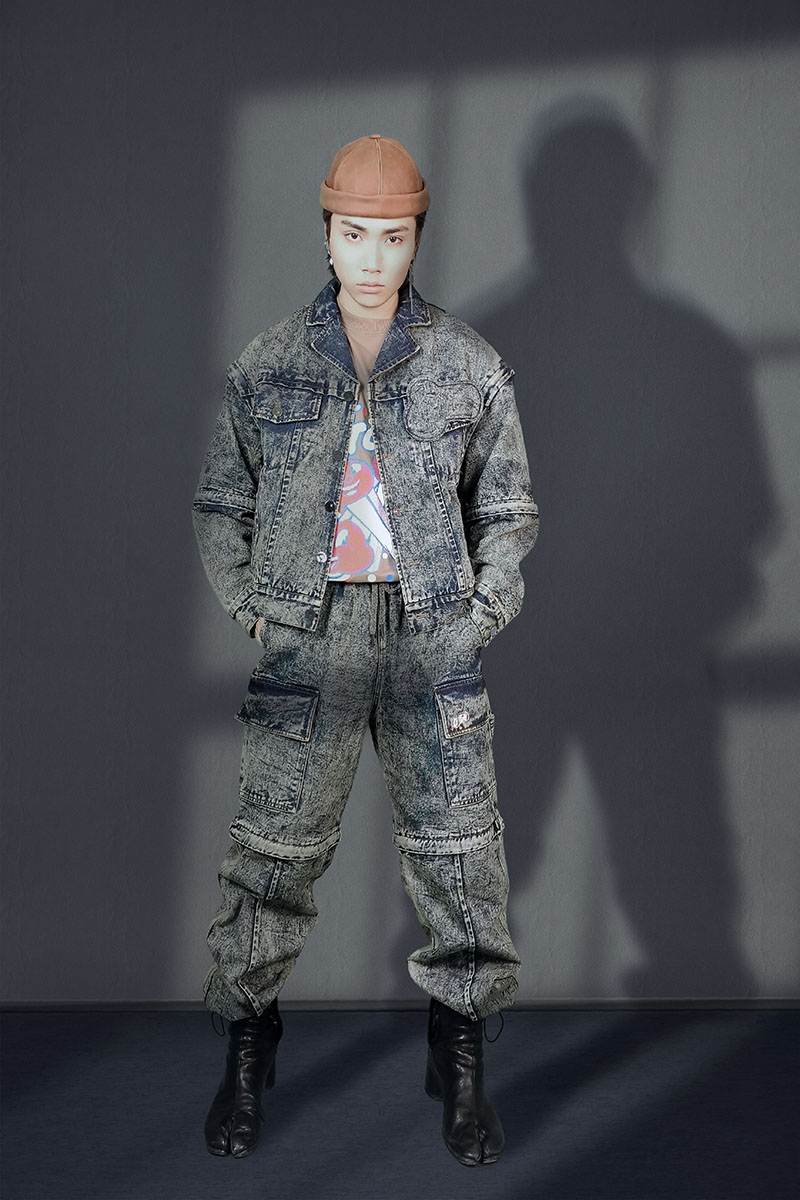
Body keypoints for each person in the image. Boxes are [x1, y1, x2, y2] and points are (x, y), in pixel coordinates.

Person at [192, 134, 538, 1167]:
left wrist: (477, 615)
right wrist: (255, 608)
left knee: (460, 854)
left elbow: (507, 509)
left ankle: (459, 1055)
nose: (373, 258)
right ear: (327, 234)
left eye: (393, 237)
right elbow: (221, 501)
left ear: (416, 238)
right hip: (309, 634)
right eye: (354, 235)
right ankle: (247, 1049)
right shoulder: (269, 363)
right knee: (272, 853)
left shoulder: (467, 365)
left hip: (431, 635)